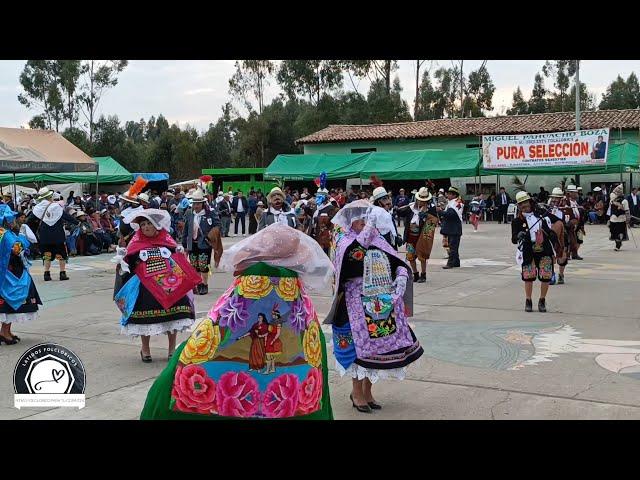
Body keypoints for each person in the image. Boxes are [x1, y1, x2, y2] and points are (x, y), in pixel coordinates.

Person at [139, 223, 334, 419]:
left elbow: (225, 312)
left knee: (187, 362)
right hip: (284, 344)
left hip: (246, 342)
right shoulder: (293, 277)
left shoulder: (254, 268)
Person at [325, 200, 423, 413]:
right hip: (353, 303)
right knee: (357, 350)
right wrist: (368, 232)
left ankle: (368, 392)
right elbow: (353, 258)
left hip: (379, 302)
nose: (365, 222)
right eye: (360, 218)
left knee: (379, 348)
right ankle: (356, 393)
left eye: (367, 217)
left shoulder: (377, 238)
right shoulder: (344, 239)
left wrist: (402, 276)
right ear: (350, 220)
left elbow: (396, 262)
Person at [113, 209, 201, 363]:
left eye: (149, 224)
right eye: (143, 224)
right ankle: (145, 348)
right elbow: (129, 264)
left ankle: (172, 349)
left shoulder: (168, 241)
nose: (146, 227)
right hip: (146, 286)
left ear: (156, 226)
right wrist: (123, 261)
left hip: (169, 286)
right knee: (144, 317)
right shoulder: (135, 243)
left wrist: (178, 253)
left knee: (174, 315)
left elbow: (178, 260)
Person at [0, 205, 42, 345]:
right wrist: (25, 239)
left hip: (8, 270)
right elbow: (17, 250)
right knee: (11, 301)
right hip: (10, 273)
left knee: (8, 303)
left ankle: (6, 331)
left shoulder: (6, 232)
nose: (14, 220)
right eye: (11, 218)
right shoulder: (5, 233)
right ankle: (5, 332)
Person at [512, 191, 556, 313]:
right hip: (528, 250)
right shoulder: (517, 221)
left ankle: (542, 300)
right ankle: (528, 300)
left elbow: (549, 231)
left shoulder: (541, 216)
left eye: (525, 202)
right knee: (528, 276)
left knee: (546, 275)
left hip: (543, 248)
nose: (523, 206)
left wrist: (548, 234)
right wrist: (518, 235)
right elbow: (513, 239)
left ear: (530, 202)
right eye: (520, 204)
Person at [28, 187, 79, 281]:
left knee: (47, 254)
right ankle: (62, 273)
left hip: (44, 234)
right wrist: (77, 222)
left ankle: (46, 274)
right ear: (49, 197)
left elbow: (30, 220)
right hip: (57, 234)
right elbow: (66, 216)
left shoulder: (37, 208)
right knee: (61, 254)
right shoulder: (56, 206)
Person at [182, 189, 222, 295]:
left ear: (203, 203)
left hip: (205, 243)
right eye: (194, 203)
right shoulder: (189, 213)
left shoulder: (210, 213)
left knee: (204, 265)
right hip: (192, 243)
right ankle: (198, 284)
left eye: (198, 203)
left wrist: (212, 234)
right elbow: (186, 229)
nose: (196, 206)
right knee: (194, 265)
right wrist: (184, 243)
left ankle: (204, 284)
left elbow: (218, 225)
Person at [399, 187, 438, 283]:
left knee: (422, 256)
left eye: (423, 200)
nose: (421, 202)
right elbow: (400, 212)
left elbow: (433, 222)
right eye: (419, 200)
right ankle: (415, 274)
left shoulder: (431, 209)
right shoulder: (411, 207)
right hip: (410, 236)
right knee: (410, 256)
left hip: (422, 237)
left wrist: (426, 216)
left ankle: (423, 275)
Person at [369, 177, 403, 250]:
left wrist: (396, 235)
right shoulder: (378, 212)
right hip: (384, 247)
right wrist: (395, 237)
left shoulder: (383, 211)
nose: (388, 202)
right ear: (378, 202)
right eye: (384, 199)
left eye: (387, 198)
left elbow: (389, 227)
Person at [546, 187, 569, 285]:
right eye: (553, 198)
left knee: (562, 258)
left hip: (561, 236)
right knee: (549, 256)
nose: (555, 200)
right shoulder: (547, 209)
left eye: (557, 198)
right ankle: (551, 274)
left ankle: (561, 274)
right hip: (549, 235)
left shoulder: (565, 210)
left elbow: (567, 223)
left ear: (561, 199)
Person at [311, 173, 338, 255]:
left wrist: (321, 219)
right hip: (314, 235)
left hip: (324, 238)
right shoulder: (316, 207)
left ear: (325, 197)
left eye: (320, 196)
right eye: (317, 196)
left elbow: (331, 222)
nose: (318, 198)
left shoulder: (331, 208)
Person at [440, 187, 464, 269]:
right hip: (451, 228)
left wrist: (440, 211)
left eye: (449, 194)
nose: (447, 195)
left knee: (453, 247)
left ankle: (450, 263)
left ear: (454, 195)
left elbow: (451, 214)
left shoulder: (457, 202)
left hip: (455, 228)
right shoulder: (452, 202)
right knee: (453, 246)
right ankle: (456, 262)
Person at [559, 185, 584, 260]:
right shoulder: (565, 201)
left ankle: (574, 254)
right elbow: (565, 212)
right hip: (568, 224)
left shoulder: (575, 202)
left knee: (576, 239)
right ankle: (566, 254)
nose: (577, 194)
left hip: (576, 223)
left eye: (576, 192)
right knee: (568, 240)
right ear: (570, 193)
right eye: (575, 193)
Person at [608, 184, 630, 251]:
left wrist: (628, 221)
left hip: (621, 219)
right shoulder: (612, 200)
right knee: (613, 232)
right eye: (616, 192)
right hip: (613, 218)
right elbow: (610, 207)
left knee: (619, 233)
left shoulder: (625, 201)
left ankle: (618, 245)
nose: (616, 193)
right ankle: (618, 243)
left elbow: (627, 211)